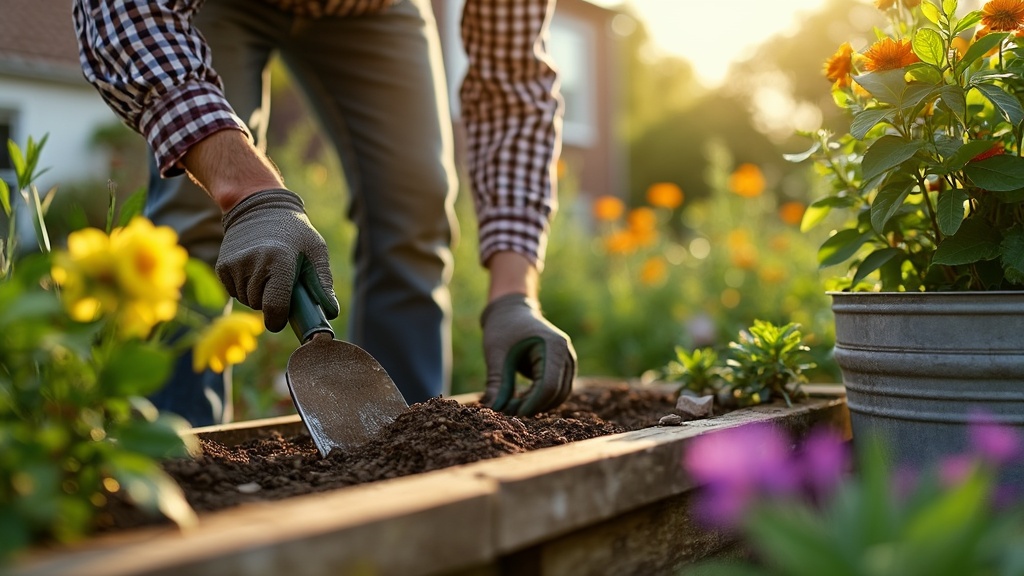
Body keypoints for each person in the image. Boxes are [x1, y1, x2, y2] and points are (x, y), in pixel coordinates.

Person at [72, 0, 576, 426]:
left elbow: (512, 83)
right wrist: (247, 193)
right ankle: (171, 453)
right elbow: (125, 14)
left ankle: (410, 449)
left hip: (370, 9)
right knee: (193, 223)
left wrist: (514, 295)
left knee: (415, 210)